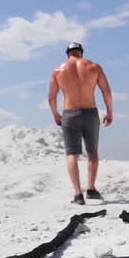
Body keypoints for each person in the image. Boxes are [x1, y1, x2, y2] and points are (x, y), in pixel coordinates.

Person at [47, 41, 113, 205]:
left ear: (67, 54)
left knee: (72, 154)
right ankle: (91, 189)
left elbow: (52, 97)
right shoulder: (94, 67)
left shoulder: (58, 71)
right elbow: (106, 91)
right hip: (90, 113)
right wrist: (110, 112)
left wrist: (56, 114)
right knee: (93, 152)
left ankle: (78, 195)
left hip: (70, 114)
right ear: (81, 52)